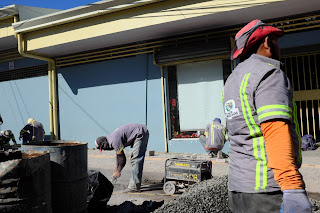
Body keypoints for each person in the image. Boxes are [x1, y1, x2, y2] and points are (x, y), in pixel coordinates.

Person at [223, 19, 312, 213]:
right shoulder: (269, 74)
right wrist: (292, 187)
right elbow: (275, 131)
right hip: (267, 190)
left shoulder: (233, 79)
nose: (277, 46)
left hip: (238, 188)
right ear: (266, 42)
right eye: (275, 41)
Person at [95, 123, 149, 193]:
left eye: (103, 148)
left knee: (136, 160)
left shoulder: (114, 141)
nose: (105, 150)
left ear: (104, 144)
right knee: (134, 158)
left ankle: (134, 187)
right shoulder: (111, 138)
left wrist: (119, 171)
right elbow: (118, 154)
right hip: (139, 131)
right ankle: (135, 183)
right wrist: (116, 167)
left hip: (140, 133)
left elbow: (122, 158)